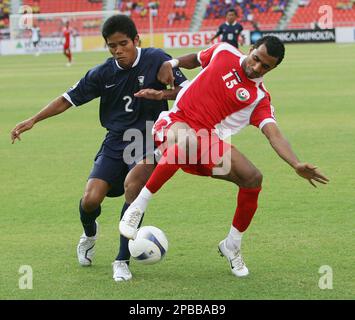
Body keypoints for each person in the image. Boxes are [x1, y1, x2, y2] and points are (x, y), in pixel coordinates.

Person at [119, 36, 329, 278]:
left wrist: (295, 163)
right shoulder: (224, 52)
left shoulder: (259, 98)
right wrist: (173, 62)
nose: (257, 67)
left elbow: (274, 134)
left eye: (266, 67)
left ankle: (232, 244)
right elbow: (196, 59)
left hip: (207, 142)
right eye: (256, 59)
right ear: (250, 50)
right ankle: (138, 206)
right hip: (177, 122)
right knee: (187, 139)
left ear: (273, 69)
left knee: (252, 178)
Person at [11, 14, 188, 282]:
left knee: (133, 186)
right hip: (115, 140)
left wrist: (162, 94)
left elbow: (187, 90)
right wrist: (33, 119)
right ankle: (90, 234)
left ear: (136, 40)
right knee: (90, 199)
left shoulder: (156, 59)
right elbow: (66, 99)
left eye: (123, 44)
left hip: (146, 140)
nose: (118, 51)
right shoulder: (103, 73)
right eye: (111, 46)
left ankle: (122, 259)